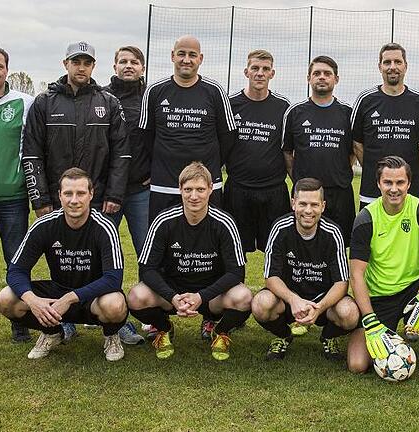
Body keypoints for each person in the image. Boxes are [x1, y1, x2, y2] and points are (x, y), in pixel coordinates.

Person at [22, 41, 129, 342]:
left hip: (100, 200)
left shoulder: (108, 102)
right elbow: (31, 155)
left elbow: (121, 154)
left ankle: (111, 319)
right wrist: (40, 198)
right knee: (63, 258)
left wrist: (114, 195)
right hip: (58, 200)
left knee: (97, 258)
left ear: (94, 66)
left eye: (87, 62)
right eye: (75, 61)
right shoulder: (44, 102)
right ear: (65, 63)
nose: (81, 67)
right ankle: (62, 320)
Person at [0, 168, 127, 361]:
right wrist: (33, 300)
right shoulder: (44, 225)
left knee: (115, 304)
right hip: (56, 295)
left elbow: (113, 279)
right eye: (68, 193)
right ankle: (51, 332)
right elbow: (17, 270)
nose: (74, 200)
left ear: (91, 194)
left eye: (81, 193)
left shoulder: (104, 227)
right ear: (59, 195)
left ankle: (110, 335)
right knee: (6, 299)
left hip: (93, 298)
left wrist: (70, 298)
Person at [127, 162, 252, 361]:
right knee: (136, 296)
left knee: (243, 297)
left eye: (200, 189)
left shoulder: (224, 222)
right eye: (188, 190)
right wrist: (173, 296)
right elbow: (147, 268)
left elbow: (236, 272)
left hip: (212, 295)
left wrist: (201, 296)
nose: (194, 196)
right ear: (180, 190)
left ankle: (220, 331)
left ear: (211, 189)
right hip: (173, 294)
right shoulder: (164, 220)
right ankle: (164, 328)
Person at [346, 156, 419, 376]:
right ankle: (382, 330)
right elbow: (356, 275)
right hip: (378, 296)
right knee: (357, 365)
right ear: (378, 184)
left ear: (409, 184)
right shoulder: (366, 218)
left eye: (400, 183)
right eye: (388, 182)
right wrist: (369, 319)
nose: (394, 189)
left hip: (412, 290)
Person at [253, 178, 359, 362]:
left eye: (314, 204)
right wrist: (293, 300)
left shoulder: (333, 233)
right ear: (293, 203)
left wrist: (319, 308)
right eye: (302, 204)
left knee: (349, 314)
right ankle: (283, 335)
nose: (308, 210)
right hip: (288, 299)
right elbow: (271, 277)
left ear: (323, 206)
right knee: (260, 304)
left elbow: (341, 282)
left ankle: (328, 337)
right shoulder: (280, 228)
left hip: (323, 302)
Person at [139, 35, 235, 220]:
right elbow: (145, 134)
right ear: (172, 56)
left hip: (206, 185)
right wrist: (161, 162)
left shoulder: (215, 91)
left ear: (200, 58)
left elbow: (228, 136)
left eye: (192, 55)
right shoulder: (155, 91)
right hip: (164, 184)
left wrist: (210, 163)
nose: (186, 60)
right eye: (181, 54)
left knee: (207, 239)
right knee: (163, 239)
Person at [225, 49, 290, 255]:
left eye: (265, 69)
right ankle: (236, 286)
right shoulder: (230, 103)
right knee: (235, 248)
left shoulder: (283, 107)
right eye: (255, 68)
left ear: (272, 73)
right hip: (238, 189)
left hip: (273, 190)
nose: (260, 73)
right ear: (246, 72)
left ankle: (274, 288)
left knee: (276, 248)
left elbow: (289, 149)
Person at [282, 56, 354, 242]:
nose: (322, 77)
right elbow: (287, 152)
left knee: (339, 242)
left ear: (336, 79)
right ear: (309, 78)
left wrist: (340, 173)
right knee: (301, 241)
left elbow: (352, 150)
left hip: (339, 192)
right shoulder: (295, 112)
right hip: (306, 194)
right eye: (317, 73)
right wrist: (299, 181)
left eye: (327, 73)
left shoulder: (347, 113)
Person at [352, 43, 419, 208]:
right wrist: (374, 169)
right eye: (387, 62)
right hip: (372, 191)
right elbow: (357, 144)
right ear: (379, 66)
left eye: (398, 62)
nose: (392, 67)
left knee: (409, 234)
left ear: (405, 66)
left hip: (410, 190)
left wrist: (407, 169)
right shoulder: (365, 100)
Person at [0, 46, 34, 342]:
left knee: (15, 261)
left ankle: (19, 321)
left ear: (7, 69)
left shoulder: (24, 102)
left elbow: (32, 149)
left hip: (12, 199)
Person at [103, 45, 150, 257]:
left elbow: (163, 140)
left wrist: (155, 172)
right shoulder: (101, 97)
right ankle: (104, 291)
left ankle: (149, 291)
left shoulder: (152, 97)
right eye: (123, 62)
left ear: (143, 68)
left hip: (141, 190)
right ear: (115, 67)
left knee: (147, 251)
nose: (128, 66)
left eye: (134, 62)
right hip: (106, 190)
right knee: (103, 249)